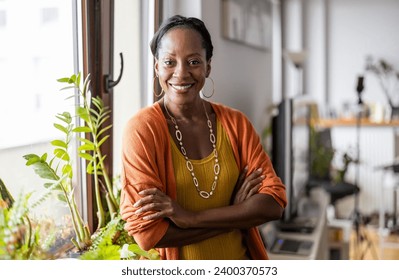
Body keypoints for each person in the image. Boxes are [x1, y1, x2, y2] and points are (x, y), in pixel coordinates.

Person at [120, 15, 287, 260]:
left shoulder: (236, 124)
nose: (181, 73)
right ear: (157, 67)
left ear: (208, 66)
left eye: (194, 61)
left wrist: (189, 218)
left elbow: (273, 203)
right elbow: (149, 234)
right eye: (169, 62)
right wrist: (237, 213)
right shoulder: (142, 131)